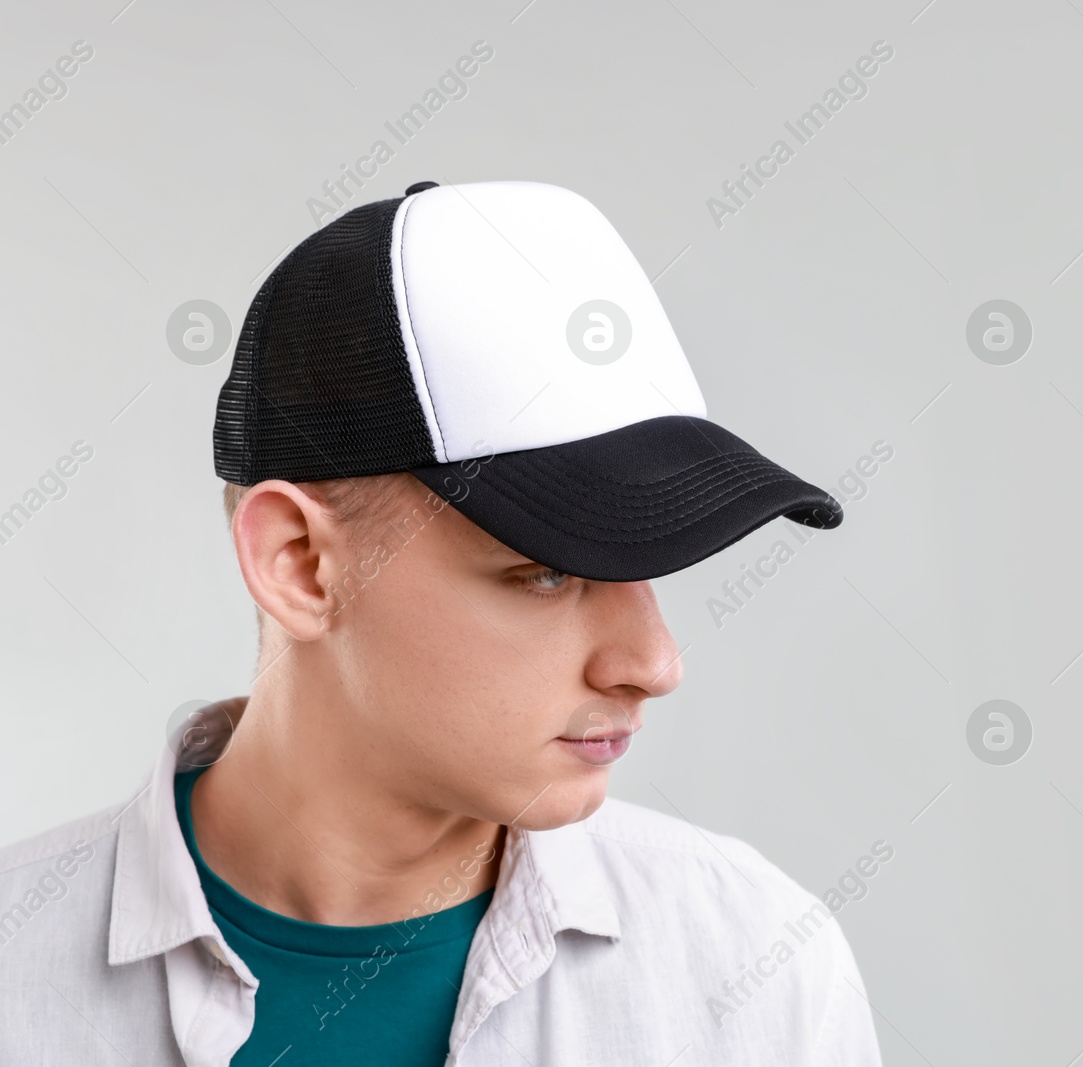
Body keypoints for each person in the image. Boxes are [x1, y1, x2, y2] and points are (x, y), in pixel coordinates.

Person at [0, 180, 882, 1066]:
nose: (653, 662)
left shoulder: (758, 971)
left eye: (644, 564)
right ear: (301, 565)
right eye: (545, 571)